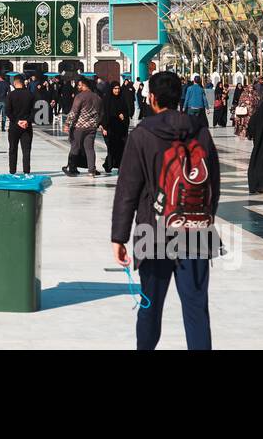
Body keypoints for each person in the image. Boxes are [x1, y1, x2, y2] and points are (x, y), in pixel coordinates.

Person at [111, 70, 221, 350]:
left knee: (150, 306)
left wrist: (119, 237)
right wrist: (202, 219)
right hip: (196, 231)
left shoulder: (143, 134)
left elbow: (128, 189)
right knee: (197, 310)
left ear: (152, 98)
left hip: (154, 229)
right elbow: (214, 185)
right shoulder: (201, 131)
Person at [65, 78, 101, 177]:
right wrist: (95, 123)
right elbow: (101, 114)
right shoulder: (97, 97)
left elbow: (74, 111)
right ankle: (91, 170)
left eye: (79, 85)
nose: (78, 87)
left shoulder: (80, 96)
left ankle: (72, 168)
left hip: (79, 127)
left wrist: (67, 124)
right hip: (91, 127)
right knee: (90, 149)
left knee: (75, 147)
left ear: (84, 85)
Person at [5, 75, 35, 174]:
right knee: (26, 150)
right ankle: (26, 171)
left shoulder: (11, 95)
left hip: (14, 126)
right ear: (23, 82)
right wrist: (27, 121)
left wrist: (17, 121)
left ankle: (12, 171)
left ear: (15, 83)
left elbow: (8, 111)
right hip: (27, 126)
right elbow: (34, 111)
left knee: (13, 149)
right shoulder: (30, 94)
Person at [100, 80, 131, 173]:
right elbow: (104, 114)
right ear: (111, 89)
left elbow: (126, 111)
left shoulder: (122, 99)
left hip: (121, 128)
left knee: (121, 147)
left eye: (118, 88)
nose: (117, 91)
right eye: (115, 89)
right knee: (111, 148)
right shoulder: (107, 99)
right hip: (110, 128)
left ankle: (119, 167)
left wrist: (123, 116)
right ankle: (108, 165)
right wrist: (104, 127)